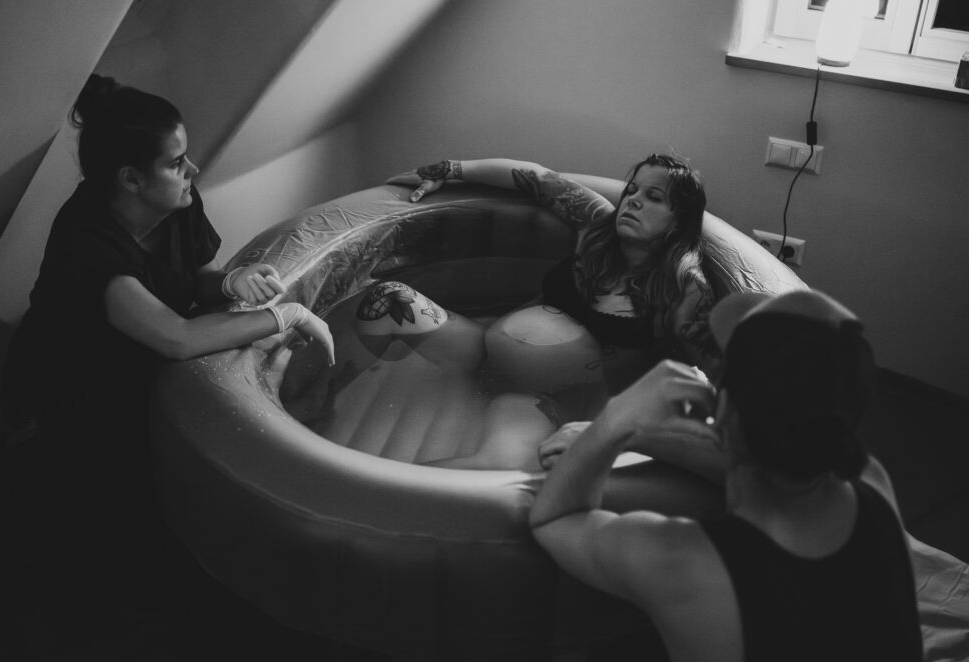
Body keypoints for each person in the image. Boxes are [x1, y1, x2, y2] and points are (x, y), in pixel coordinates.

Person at [2, 74, 334, 587]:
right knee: (104, 538)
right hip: (69, 389)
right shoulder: (86, 242)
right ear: (132, 179)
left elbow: (199, 279)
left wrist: (232, 280)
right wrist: (286, 316)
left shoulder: (179, 202)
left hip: (133, 363)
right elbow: (176, 337)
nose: (192, 171)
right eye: (177, 163)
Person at [529, 289, 923, 662]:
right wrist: (650, 438)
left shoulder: (683, 562)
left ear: (727, 414)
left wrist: (615, 420)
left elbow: (553, 518)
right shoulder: (872, 481)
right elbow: (775, 458)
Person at [283, 155, 715, 470]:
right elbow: (537, 179)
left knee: (498, 468)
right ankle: (321, 393)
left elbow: (706, 372)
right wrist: (448, 171)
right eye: (632, 190)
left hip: (544, 400)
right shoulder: (596, 230)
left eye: (653, 197)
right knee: (387, 299)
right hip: (481, 351)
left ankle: (376, 498)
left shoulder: (684, 290)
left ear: (679, 220)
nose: (633, 201)